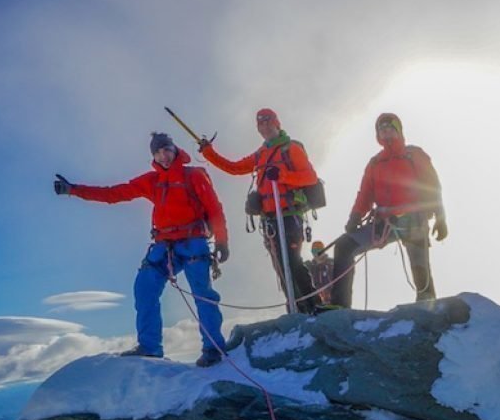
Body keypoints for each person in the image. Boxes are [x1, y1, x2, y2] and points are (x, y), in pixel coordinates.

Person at [53, 132, 229, 367]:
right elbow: (113, 194)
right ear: (153, 156)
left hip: (193, 242)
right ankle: (150, 347)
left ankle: (214, 348)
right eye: (157, 152)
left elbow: (214, 207)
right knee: (144, 287)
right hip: (164, 246)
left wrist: (222, 241)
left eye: (166, 150)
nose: (163, 156)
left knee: (202, 293)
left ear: (174, 149)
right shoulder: (152, 181)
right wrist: (73, 190)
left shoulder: (194, 175)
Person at [199, 108, 321, 314]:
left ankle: (313, 305)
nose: (264, 127)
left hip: (290, 215)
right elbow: (234, 167)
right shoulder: (260, 154)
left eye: (268, 122)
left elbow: (310, 177)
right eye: (260, 124)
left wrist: (281, 175)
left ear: (277, 123)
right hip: (270, 220)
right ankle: (298, 308)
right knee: (281, 265)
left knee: (291, 261)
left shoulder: (291, 149)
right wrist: (208, 152)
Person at [329, 112, 447, 308]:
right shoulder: (375, 163)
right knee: (344, 246)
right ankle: (340, 305)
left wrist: (440, 218)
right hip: (385, 222)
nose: (386, 133)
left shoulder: (415, 155)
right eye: (382, 130)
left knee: (421, 271)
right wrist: (355, 217)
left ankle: (427, 306)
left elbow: (433, 186)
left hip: (414, 220)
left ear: (399, 131)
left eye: (390, 128)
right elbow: (365, 195)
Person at [305, 240, 333, 304]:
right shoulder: (310, 266)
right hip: (317, 299)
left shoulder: (331, 264)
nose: (316, 254)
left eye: (319, 251)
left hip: (331, 298)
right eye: (314, 251)